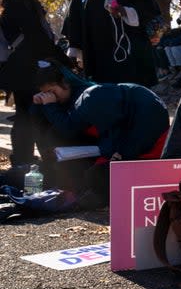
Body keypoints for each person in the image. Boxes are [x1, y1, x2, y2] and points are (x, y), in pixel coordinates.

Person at [33, 61, 169, 204]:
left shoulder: (96, 98)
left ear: (65, 83)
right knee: (89, 171)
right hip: (116, 145)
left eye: (51, 92)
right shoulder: (92, 97)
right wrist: (42, 105)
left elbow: (132, 140)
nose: (49, 96)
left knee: (97, 175)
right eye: (44, 93)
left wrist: (120, 154)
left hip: (145, 150)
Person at [0, 0, 69, 169]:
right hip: (30, 69)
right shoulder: (24, 7)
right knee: (35, 116)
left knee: (24, 116)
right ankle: (42, 164)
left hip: (17, 70)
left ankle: (22, 162)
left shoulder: (10, 6)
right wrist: (63, 60)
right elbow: (38, 40)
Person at [61, 0, 160, 86]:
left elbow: (150, 11)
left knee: (131, 91)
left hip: (128, 53)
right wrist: (75, 51)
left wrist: (125, 11)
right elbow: (73, 22)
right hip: (95, 53)